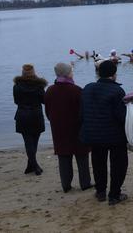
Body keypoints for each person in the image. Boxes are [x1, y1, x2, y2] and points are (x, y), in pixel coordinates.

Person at [80, 60, 128, 205]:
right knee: (118, 164)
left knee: (98, 163)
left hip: (94, 135)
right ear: (114, 74)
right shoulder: (117, 91)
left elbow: (82, 113)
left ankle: (100, 192)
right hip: (115, 136)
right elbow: (121, 116)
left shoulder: (87, 89)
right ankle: (114, 194)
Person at [44, 63, 92, 192]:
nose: (72, 73)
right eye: (71, 71)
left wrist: (54, 121)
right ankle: (85, 183)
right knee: (82, 156)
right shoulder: (76, 90)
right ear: (68, 73)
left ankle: (66, 185)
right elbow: (84, 111)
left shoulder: (50, 90)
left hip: (59, 128)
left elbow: (48, 111)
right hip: (77, 128)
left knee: (64, 157)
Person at [13, 64, 47, 175]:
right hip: (36, 115)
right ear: (33, 73)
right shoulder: (39, 86)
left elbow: (16, 101)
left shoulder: (17, 86)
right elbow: (44, 100)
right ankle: (35, 166)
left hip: (22, 115)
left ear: (22, 73)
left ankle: (30, 165)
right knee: (34, 141)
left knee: (28, 142)